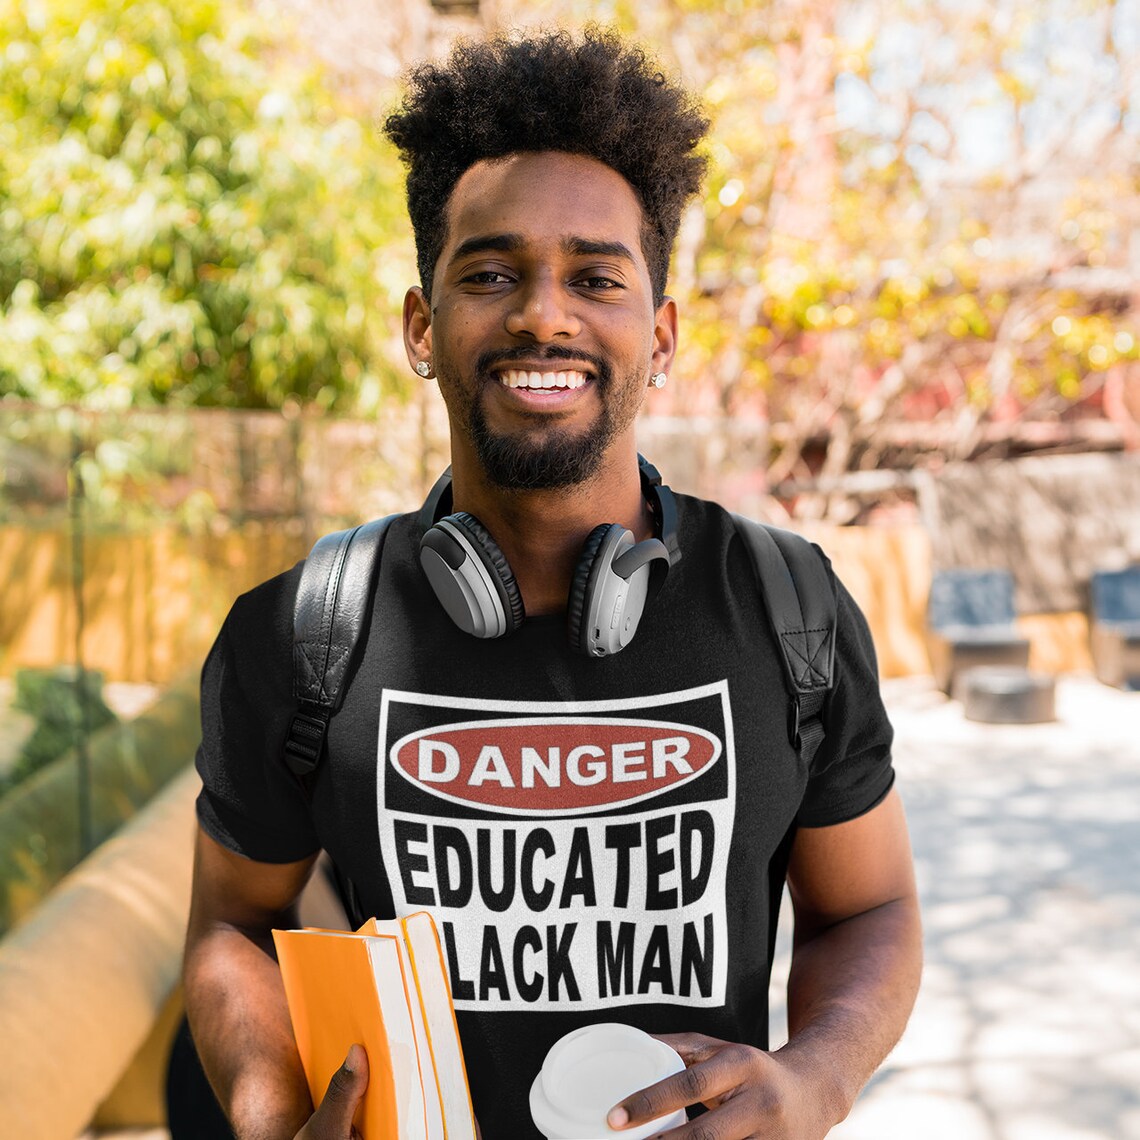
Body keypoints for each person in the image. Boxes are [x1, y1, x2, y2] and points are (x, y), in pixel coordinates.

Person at [182, 27, 922, 1140]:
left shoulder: (788, 605)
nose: (544, 313)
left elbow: (869, 907)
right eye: (490, 272)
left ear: (660, 337)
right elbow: (234, 922)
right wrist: (268, 1107)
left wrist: (818, 1076)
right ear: (422, 327)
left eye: (595, 276)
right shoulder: (301, 633)